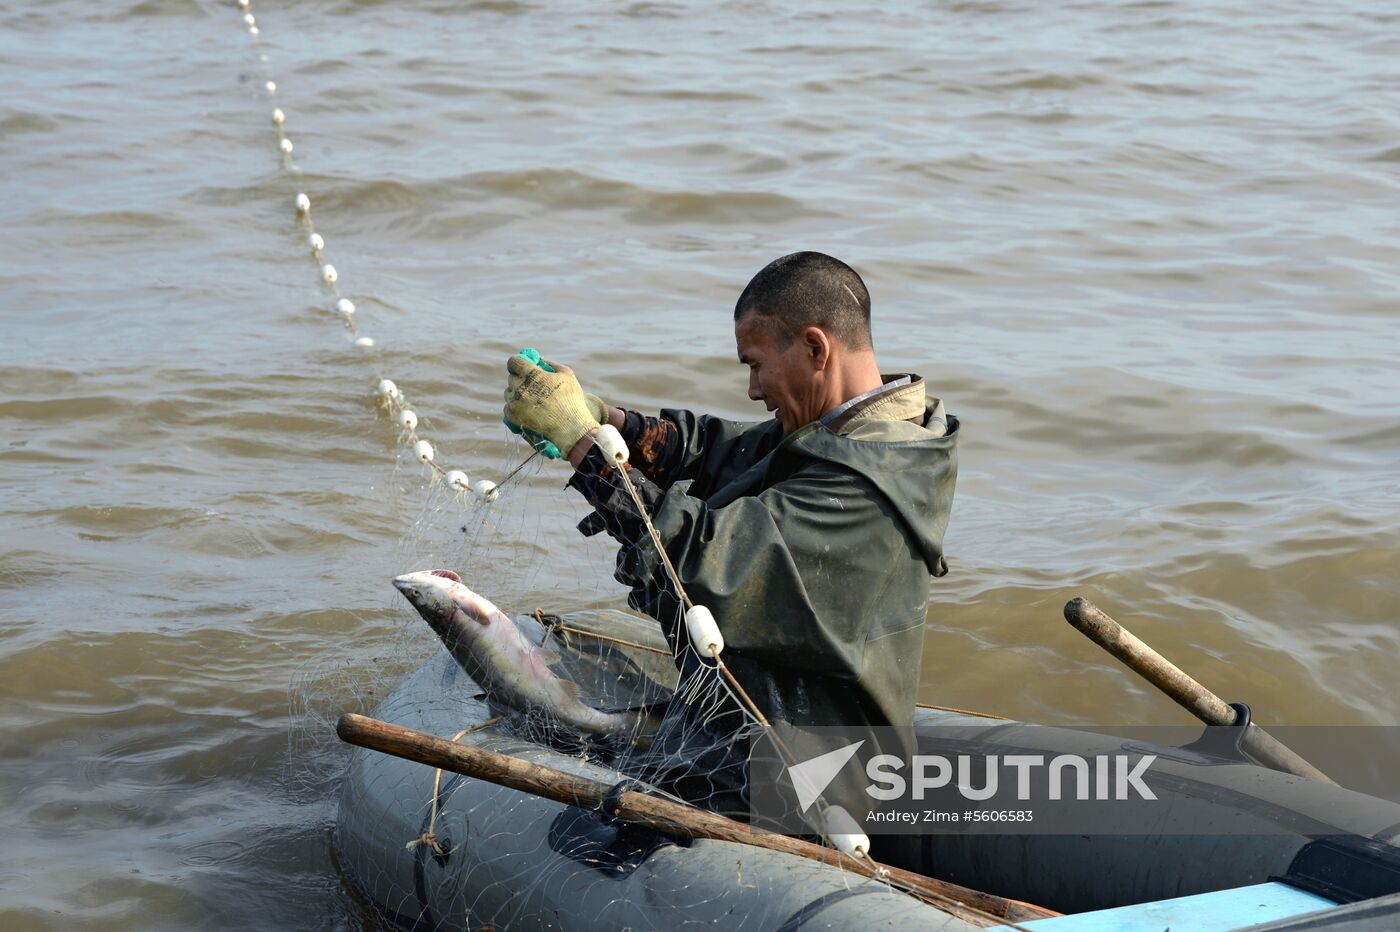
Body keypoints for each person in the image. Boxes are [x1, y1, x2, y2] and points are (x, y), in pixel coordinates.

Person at [503, 251, 958, 813]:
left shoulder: (869, 483)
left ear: (816, 349)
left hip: (811, 778)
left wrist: (580, 447)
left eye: (755, 364)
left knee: (582, 834)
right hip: (772, 739)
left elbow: (704, 556)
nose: (752, 388)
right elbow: (725, 452)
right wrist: (607, 421)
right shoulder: (848, 428)